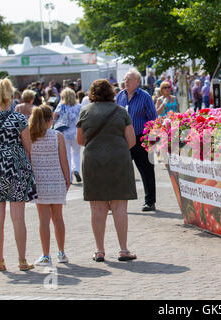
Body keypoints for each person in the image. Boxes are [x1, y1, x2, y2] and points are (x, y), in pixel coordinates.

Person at [0, 78, 37, 272]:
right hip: (15, 170)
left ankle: (0, 260)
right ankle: (21, 260)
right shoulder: (18, 119)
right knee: (18, 218)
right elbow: (28, 148)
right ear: (11, 96)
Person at [76, 79, 138, 262]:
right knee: (119, 207)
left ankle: (100, 250)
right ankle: (123, 249)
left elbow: (80, 140)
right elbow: (132, 140)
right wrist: (116, 147)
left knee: (97, 208)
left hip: (93, 161)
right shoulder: (120, 111)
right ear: (111, 93)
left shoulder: (85, 111)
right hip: (119, 160)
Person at [29, 105, 71, 267]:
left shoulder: (31, 136)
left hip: (39, 182)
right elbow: (63, 160)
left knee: (43, 220)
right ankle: (61, 252)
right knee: (58, 218)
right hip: (56, 180)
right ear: (50, 120)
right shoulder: (57, 136)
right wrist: (67, 179)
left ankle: (46, 255)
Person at [115, 68, 157, 212]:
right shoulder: (120, 96)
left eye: (129, 79)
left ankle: (150, 202)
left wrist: (151, 139)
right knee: (119, 170)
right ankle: (117, 201)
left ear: (137, 81)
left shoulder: (145, 96)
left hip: (141, 138)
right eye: (125, 79)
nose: (126, 81)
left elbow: (152, 118)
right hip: (123, 139)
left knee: (146, 170)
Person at [53, 88, 82, 184]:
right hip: (76, 133)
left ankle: (69, 175)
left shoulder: (61, 106)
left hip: (64, 133)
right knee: (76, 153)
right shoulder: (78, 106)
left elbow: (55, 117)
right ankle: (76, 169)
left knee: (67, 155)